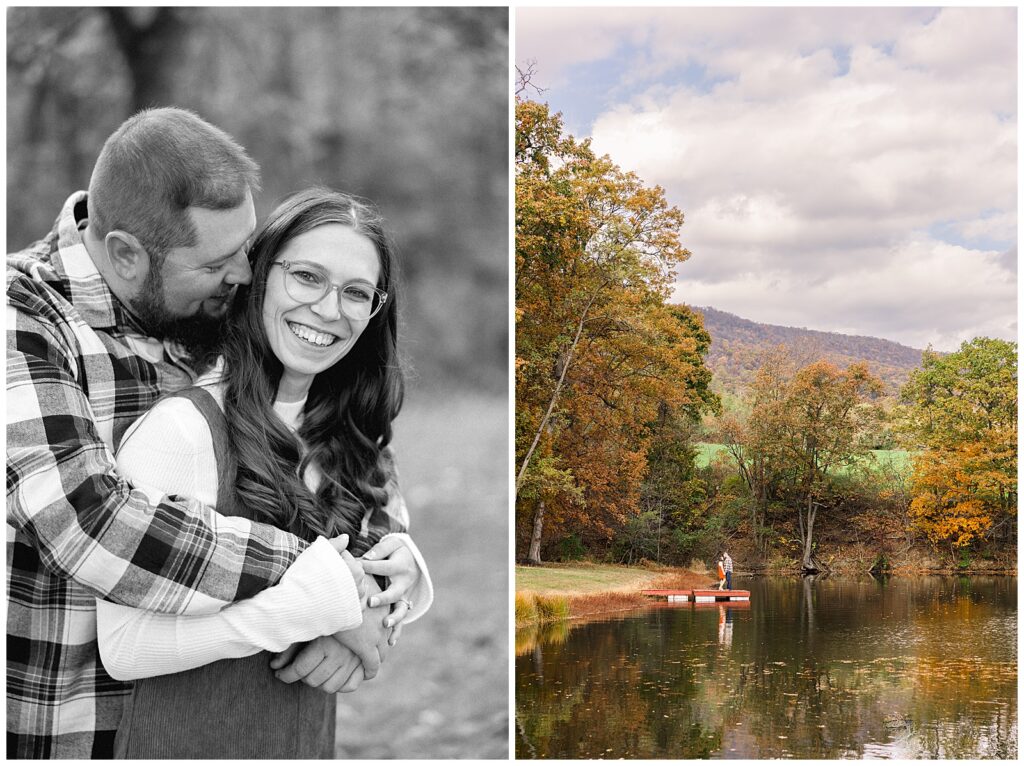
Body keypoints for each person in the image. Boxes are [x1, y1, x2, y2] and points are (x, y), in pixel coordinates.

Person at [6, 108, 411, 758]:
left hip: (238, 719)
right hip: (62, 724)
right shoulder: (21, 322)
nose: (246, 277)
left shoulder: (203, 305)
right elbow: (92, 521)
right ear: (127, 257)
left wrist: (395, 570)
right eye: (223, 261)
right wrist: (331, 581)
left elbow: (326, 436)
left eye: (250, 251)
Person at [94, 188, 431, 758]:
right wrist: (310, 612)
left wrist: (403, 584)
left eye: (356, 292)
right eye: (307, 276)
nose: (329, 309)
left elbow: (369, 573)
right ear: (260, 277)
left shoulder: (350, 439)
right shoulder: (182, 430)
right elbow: (125, 648)